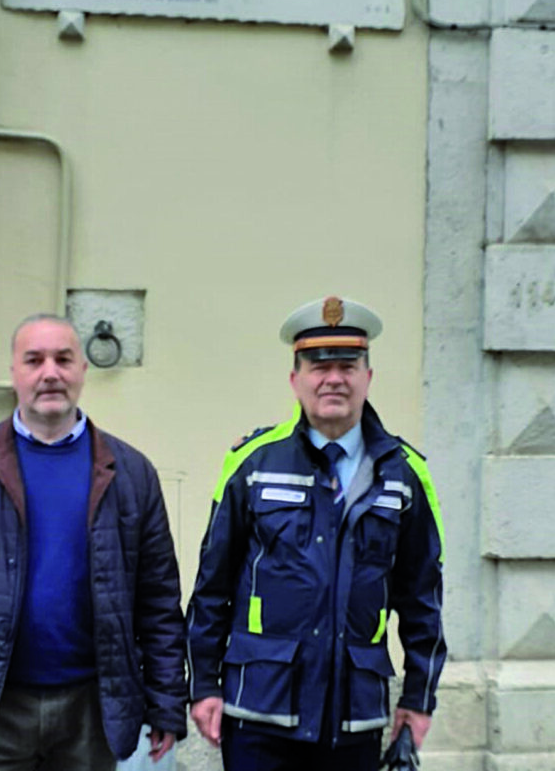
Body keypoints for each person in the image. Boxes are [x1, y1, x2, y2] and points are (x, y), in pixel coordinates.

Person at [0, 314, 187, 771]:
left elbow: (158, 602)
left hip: (92, 711)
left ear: (82, 369)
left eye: (63, 359)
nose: (50, 373)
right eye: (34, 360)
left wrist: (166, 703)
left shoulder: (132, 473)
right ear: (14, 372)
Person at [187, 295, 446, 771]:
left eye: (348, 366)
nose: (334, 379)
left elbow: (422, 598)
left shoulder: (405, 474)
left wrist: (419, 697)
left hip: (353, 714)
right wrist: (202, 684)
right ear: (295, 379)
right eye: (318, 366)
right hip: (260, 709)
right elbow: (212, 586)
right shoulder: (251, 464)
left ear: (368, 377)